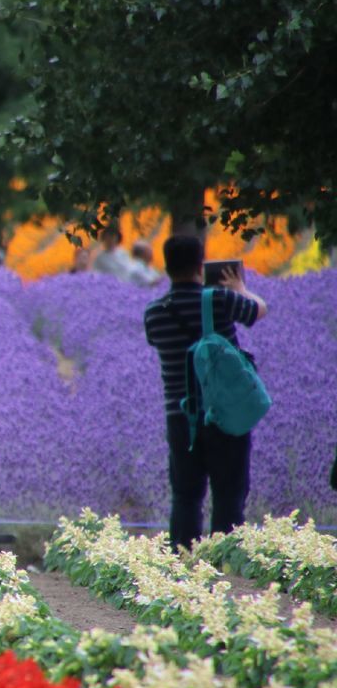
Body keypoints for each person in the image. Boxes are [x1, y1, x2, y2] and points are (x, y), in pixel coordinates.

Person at [143, 234, 269, 552]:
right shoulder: (219, 300)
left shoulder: (154, 313)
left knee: (185, 495)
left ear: (167, 266)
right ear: (201, 265)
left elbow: (158, 343)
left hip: (181, 416)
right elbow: (258, 311)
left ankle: (184, 563)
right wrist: (239, 288)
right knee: (228, 494)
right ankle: (224, 562)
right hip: (224, 414)